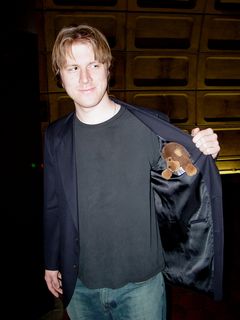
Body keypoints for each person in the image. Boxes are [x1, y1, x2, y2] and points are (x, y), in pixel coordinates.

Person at [43, 24, 223, 320]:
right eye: (73, 67)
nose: (85, 77)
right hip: (81, 285)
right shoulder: (55, 137)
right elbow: (53, 206)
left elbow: (182, 178)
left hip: (142, 287)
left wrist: (205, 150)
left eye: (94, 64)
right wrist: (51, 261)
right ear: (60, 75)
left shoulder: (148, 127)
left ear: (108, 68)